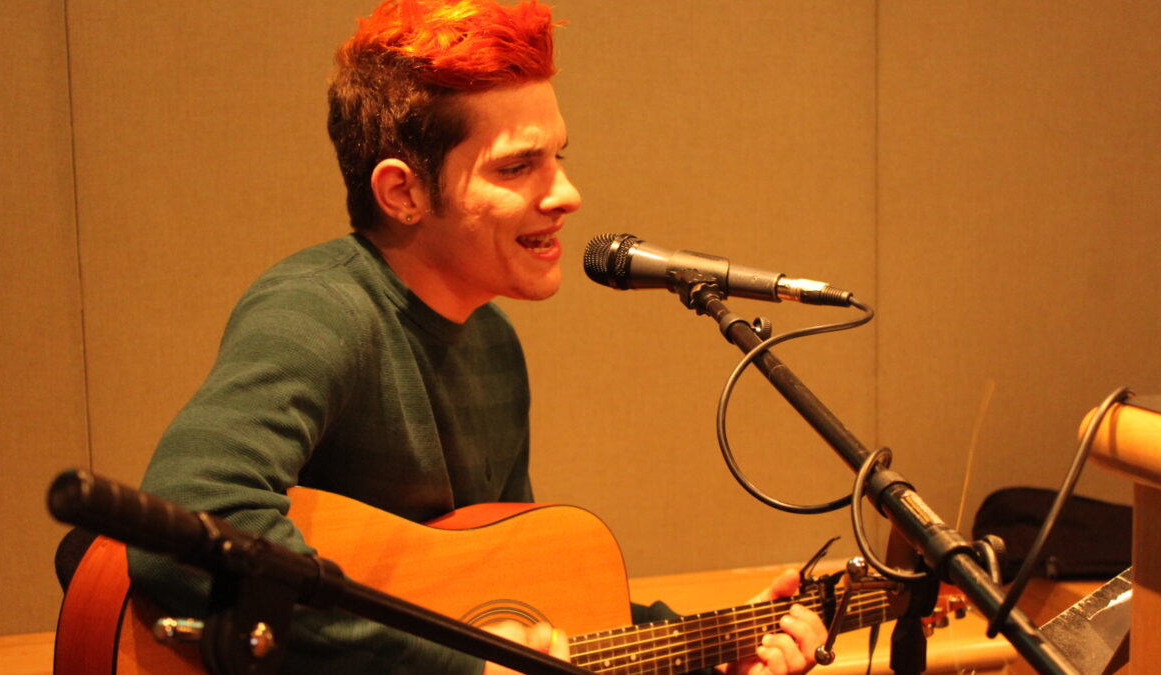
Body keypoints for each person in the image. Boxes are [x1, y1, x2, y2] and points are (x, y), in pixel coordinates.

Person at [128, 1, 827, 673]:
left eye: (558, 156)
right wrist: (454, 668)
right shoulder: (318, 311)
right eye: (517, 167)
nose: (567, 194)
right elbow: (188, 522)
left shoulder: (493, 343)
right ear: (403, 193)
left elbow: (519, 593)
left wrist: (709, 647)